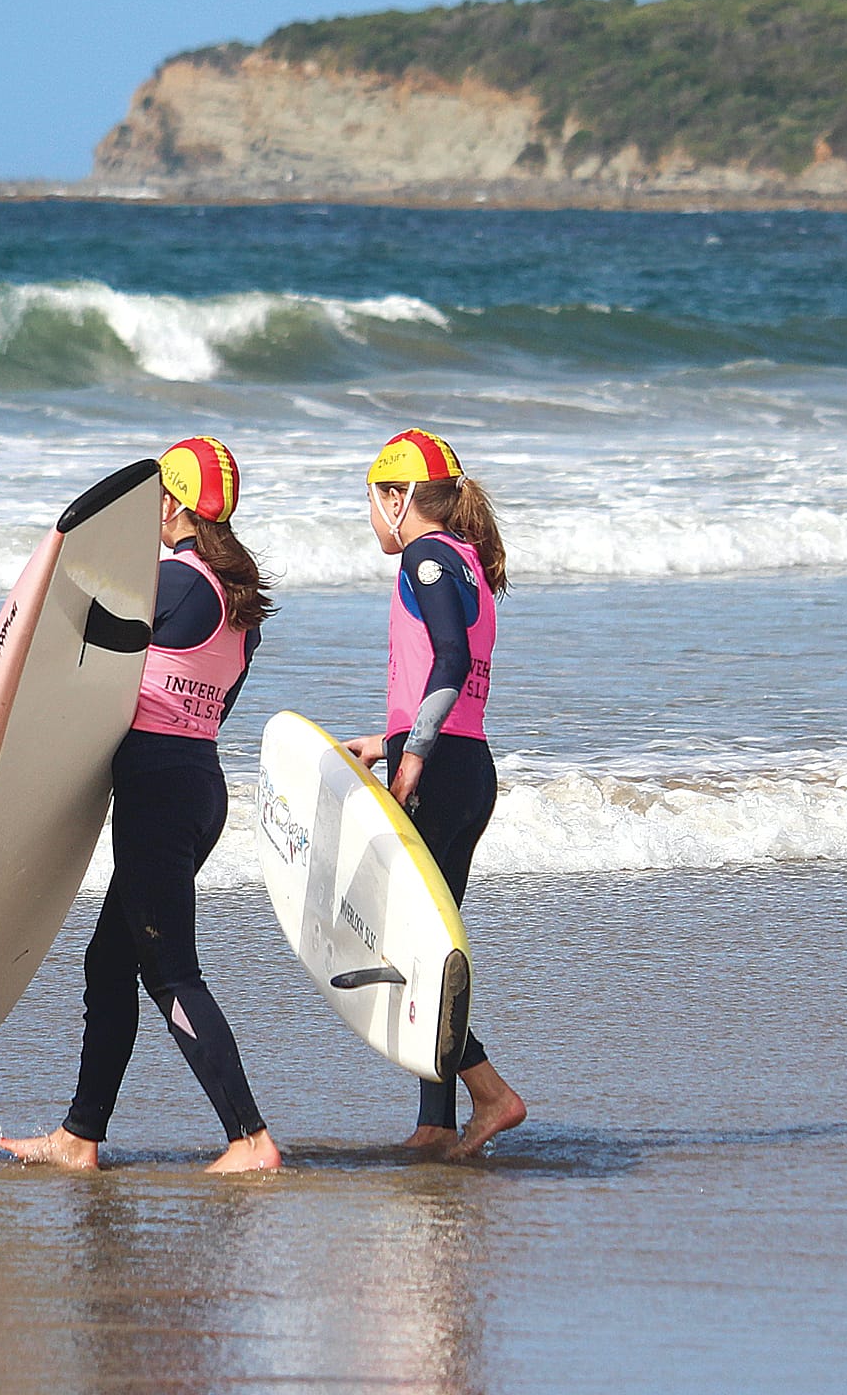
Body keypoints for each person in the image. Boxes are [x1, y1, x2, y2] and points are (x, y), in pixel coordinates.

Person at [0, 437, 281, 1173]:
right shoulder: (235, 602)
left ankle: (249, 1140)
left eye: (159, 500)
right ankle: (79, 1137)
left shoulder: (172, 581)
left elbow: (77, 669)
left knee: (171, 972)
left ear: (177, 505)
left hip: (158, 793)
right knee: (107, 963)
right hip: (195, 784)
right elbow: (204, 707)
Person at [342, 429, 528, 1159]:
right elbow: (452, 683)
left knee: (408, 951)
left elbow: (447, 659)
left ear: (397, 498)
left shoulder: (422, 555)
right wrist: (390, 741)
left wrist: (410, 752)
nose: (370, 517)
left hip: (438, 770)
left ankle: (490, 1093)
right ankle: (434, 1122)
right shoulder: (467, 561)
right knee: (432, 948)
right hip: (467, 765)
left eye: (370, 501)